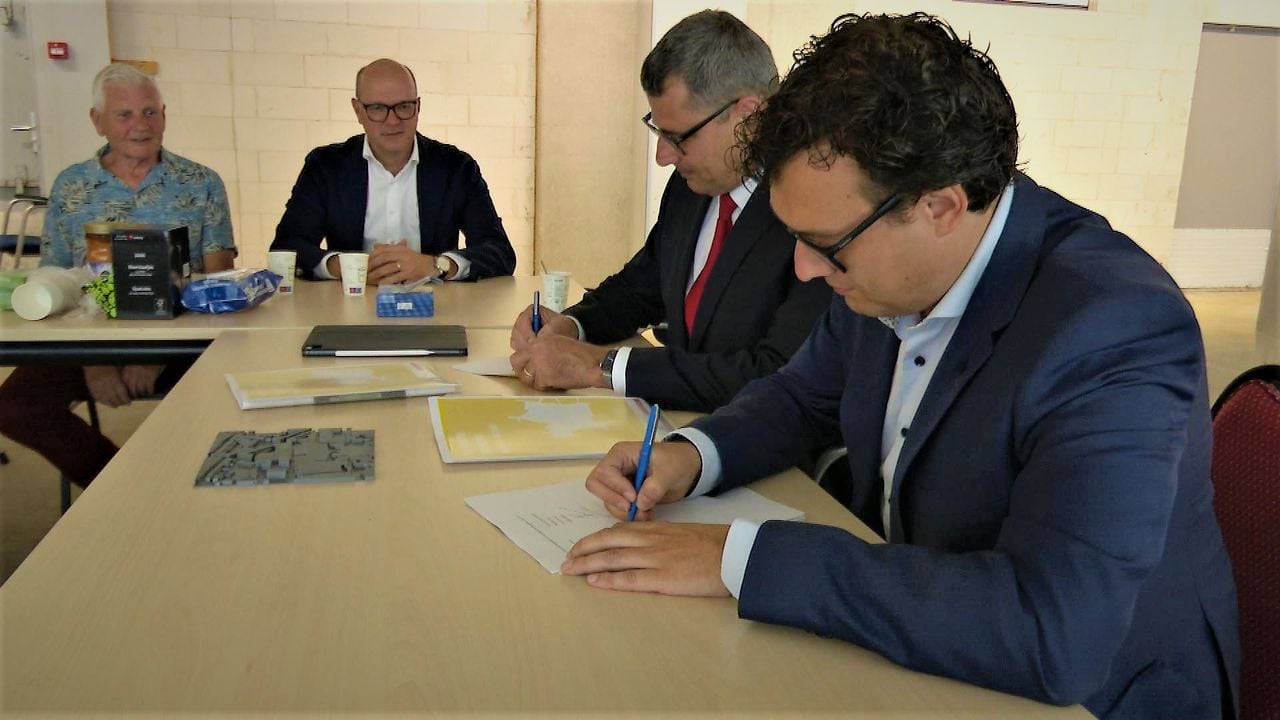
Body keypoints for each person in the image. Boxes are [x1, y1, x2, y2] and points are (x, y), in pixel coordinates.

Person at [561, 13, 1240, 719]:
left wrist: (742, 560)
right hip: (919, 646)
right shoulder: (882, 262)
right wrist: (691, 456)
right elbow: (801, 395)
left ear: (940, 206)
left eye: (825, 244)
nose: (805, 269)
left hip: (1094, 697)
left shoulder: (1113, 325)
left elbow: (1053, 632)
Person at [508, 11, 831, 413]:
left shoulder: (814, 213)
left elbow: (772, 372)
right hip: (672, 431)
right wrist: (573, 325)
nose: (663, 157)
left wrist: (598, 366)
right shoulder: (691, 186)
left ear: (748, 116)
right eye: (658, 132)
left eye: (678, 137)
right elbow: (641, 286)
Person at [0, 62, 236, 488]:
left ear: (164, 115)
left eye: (150, 112)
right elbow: (53, 279)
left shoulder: (201, 183)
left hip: (181, 344)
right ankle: (125, 487)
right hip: (88, 344)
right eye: (124, 114)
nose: (140, 126)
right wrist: (94, 360)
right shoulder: (72, 188)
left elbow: (216, 282)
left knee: (229, 395)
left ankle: (199, 488)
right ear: (98, 121)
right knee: (14, 406)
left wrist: (155, 352)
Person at [271, 58, 515, 284]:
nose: (392, 121)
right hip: (348, 308)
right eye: (377, 108)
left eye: (404, 106)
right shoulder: (325, 166)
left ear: (418, 107)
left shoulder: (456, 167)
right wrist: (347, 267)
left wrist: (435, 265)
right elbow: (287, 246)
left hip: (436, 310)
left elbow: (499, 251)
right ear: (358, 111)